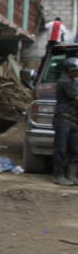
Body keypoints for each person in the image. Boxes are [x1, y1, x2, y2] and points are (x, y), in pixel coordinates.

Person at [52, 57, 78, 185]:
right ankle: (59, 176)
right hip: (63, 119)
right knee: (61, 148)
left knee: (74, 149)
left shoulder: (74, 81)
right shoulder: (65, 82)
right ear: (70, 70)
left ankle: (72, 175)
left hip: (74, 120)